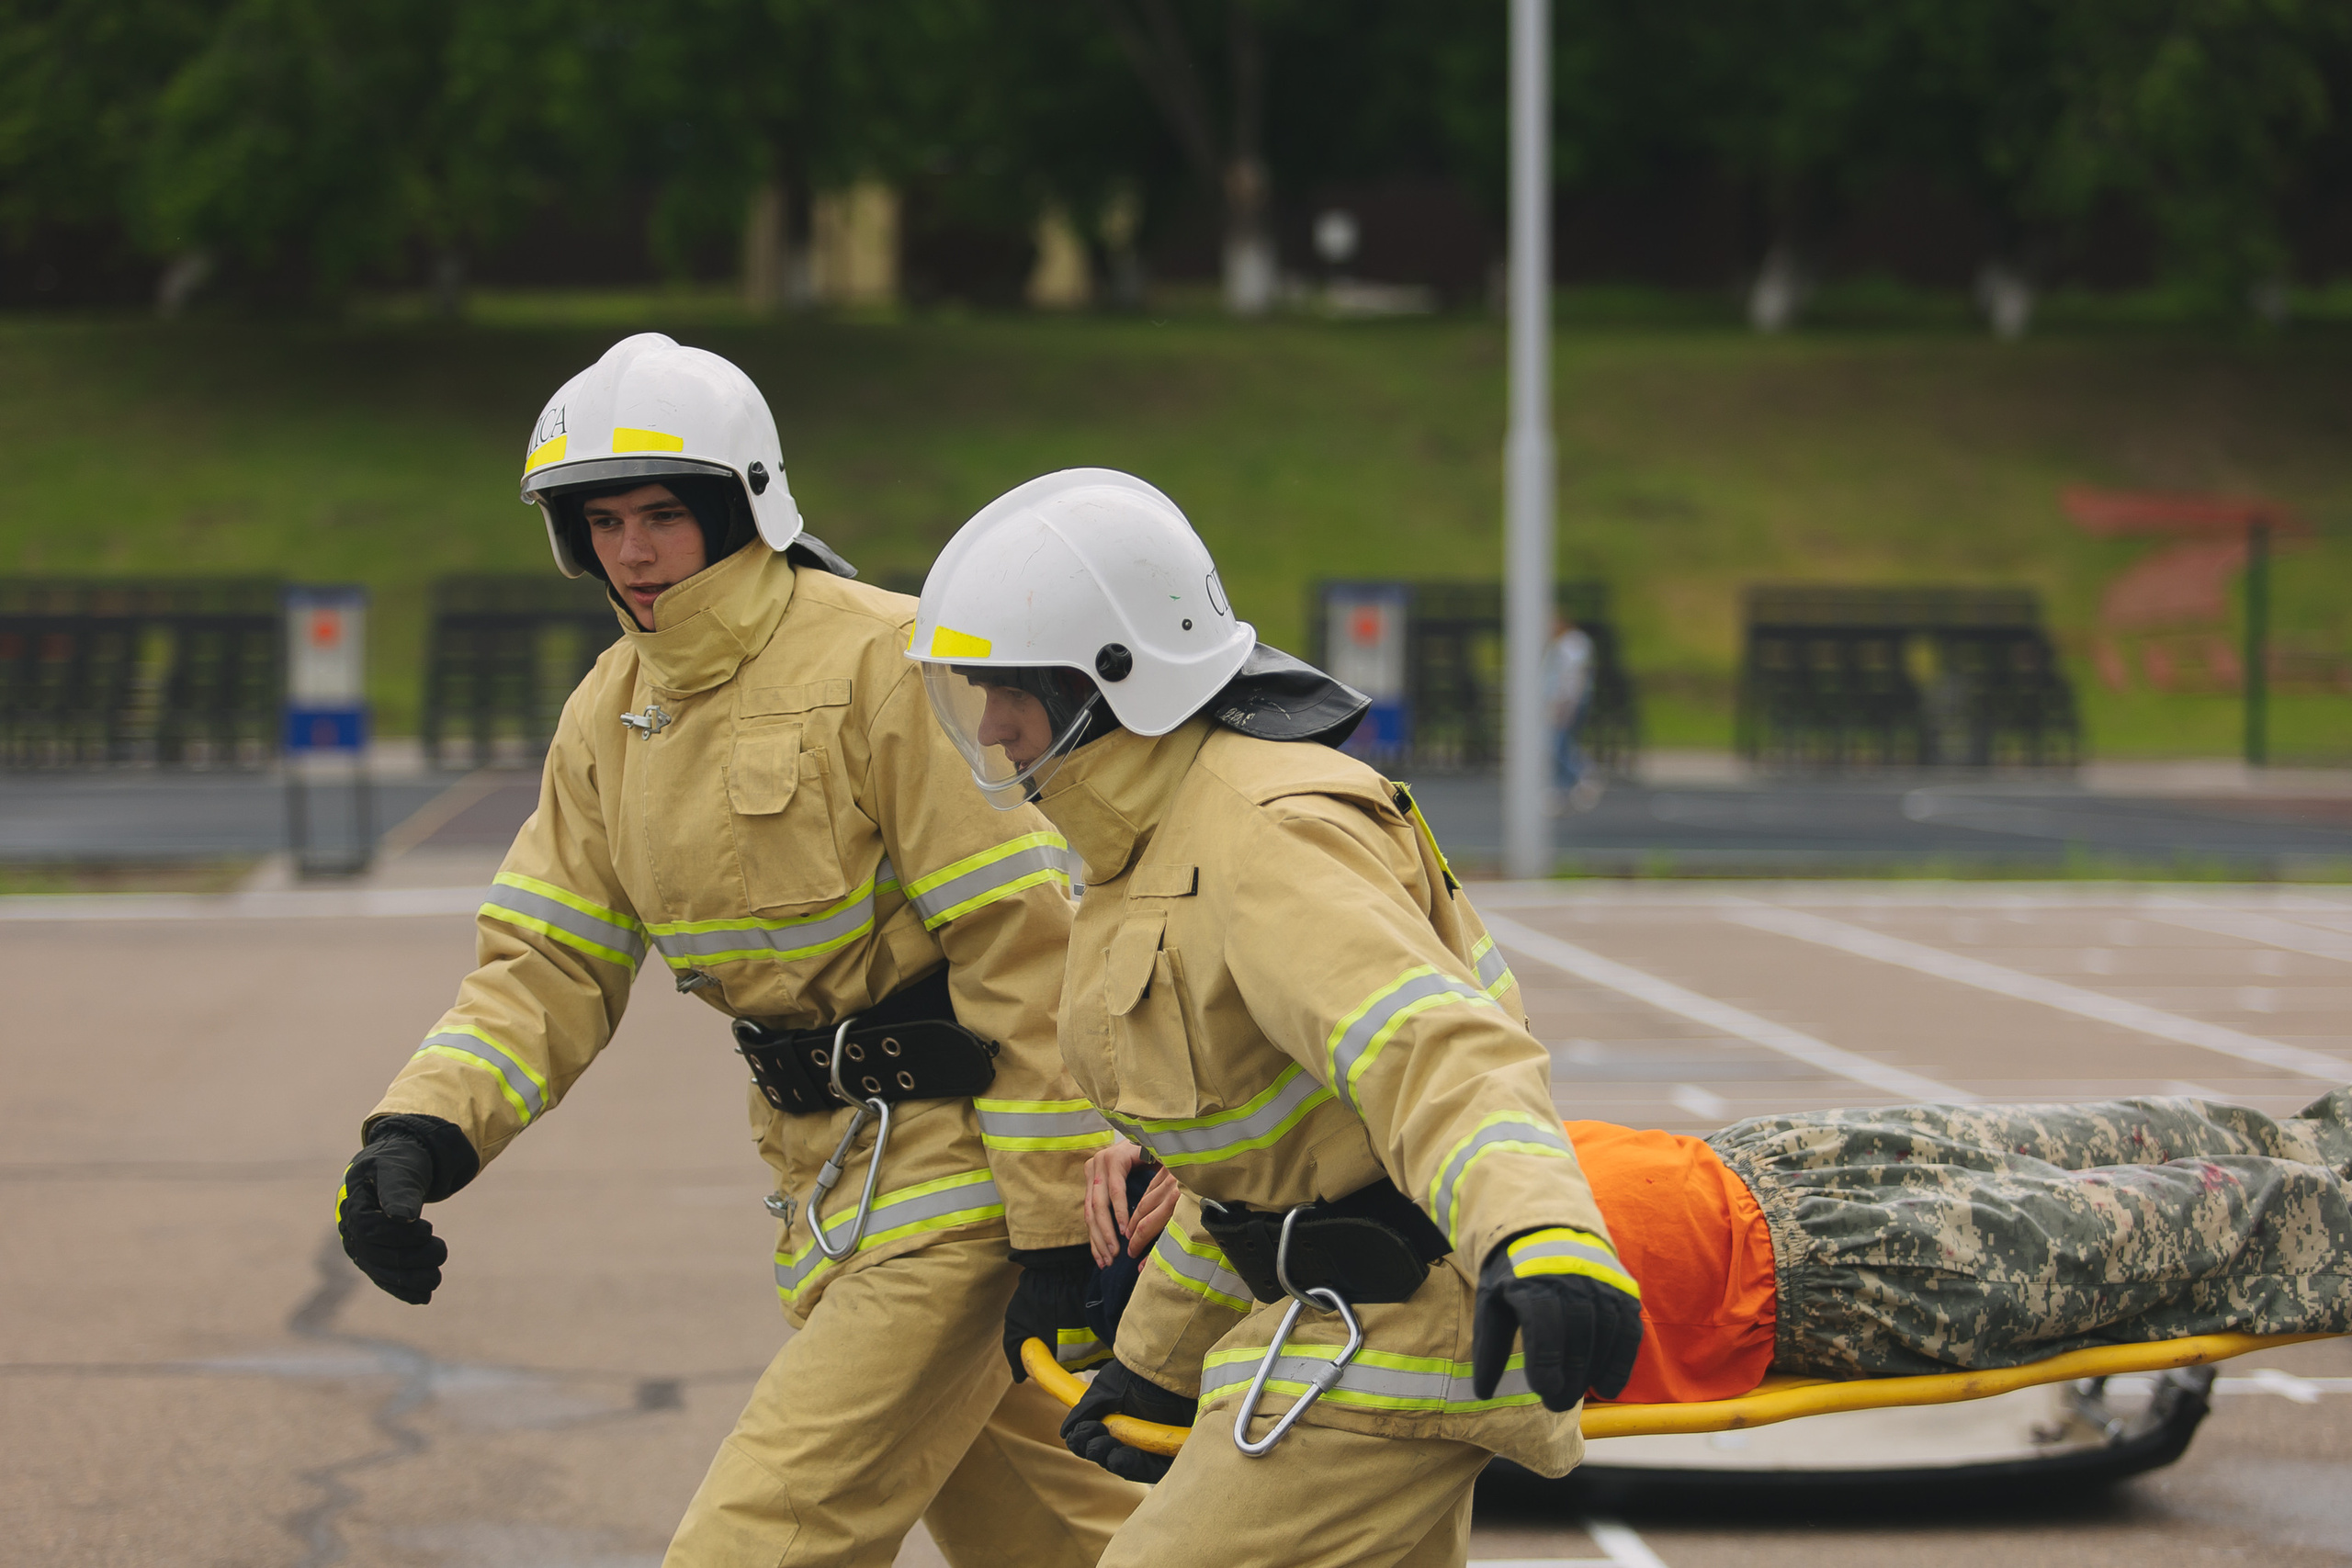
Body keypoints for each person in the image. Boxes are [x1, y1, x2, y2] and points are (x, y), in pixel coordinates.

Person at [331, 336, 1143, 1568]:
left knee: (756, 1541)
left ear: (744, 504)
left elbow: (1024, 945)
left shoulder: (889, 657)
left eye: (663, 512)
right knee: (1068, 1543)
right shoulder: (608, 713)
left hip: (963, 1197)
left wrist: (1046, 1232)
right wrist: (419, 1132)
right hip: (830, 1195)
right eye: (602, 519)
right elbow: (543, 967)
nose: (633, 549)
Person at [909, 468, 1646, 1568]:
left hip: (1394, 1337)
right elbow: (1255, 1166)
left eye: (1012, 686)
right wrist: (1154, 1361)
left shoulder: (1265, 832)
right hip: (1343, 1320)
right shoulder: (1142, 844)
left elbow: (1435, 1051)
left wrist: (1540, 1232)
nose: (994, 721)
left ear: (1111, 680)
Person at [1080, 1088, 2352, 1406]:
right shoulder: (1286, 1343)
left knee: (2143, 1129)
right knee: (2211, 1215)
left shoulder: (1263, 1165)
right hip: (1824, 1280)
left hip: (1756, 1163)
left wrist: (1161, 1143)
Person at [1544, 613, 1598, 813]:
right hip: (1567, 702)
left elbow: (1572, 679)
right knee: (1562, 745)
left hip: (1567, 703)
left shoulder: (1571, 645)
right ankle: (1564, 790)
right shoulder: (1566, 644)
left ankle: (1583, 777)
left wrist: (1564, 705)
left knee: (1557, 745)